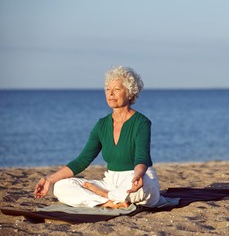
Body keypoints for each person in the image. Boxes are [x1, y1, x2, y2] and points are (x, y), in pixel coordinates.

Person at [34, 66, 160, 208]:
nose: (110, 93)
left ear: (130, 93)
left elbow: (142, 156)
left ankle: (104, 196)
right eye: (107, 89)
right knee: (61, 186)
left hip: (137, 177)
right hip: (111, 183)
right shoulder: (101, 125)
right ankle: (110, 202)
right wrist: (49, 179)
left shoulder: (141, 122)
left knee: (146, 187)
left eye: (117, 89)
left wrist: (137, 175)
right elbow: (83, 160)